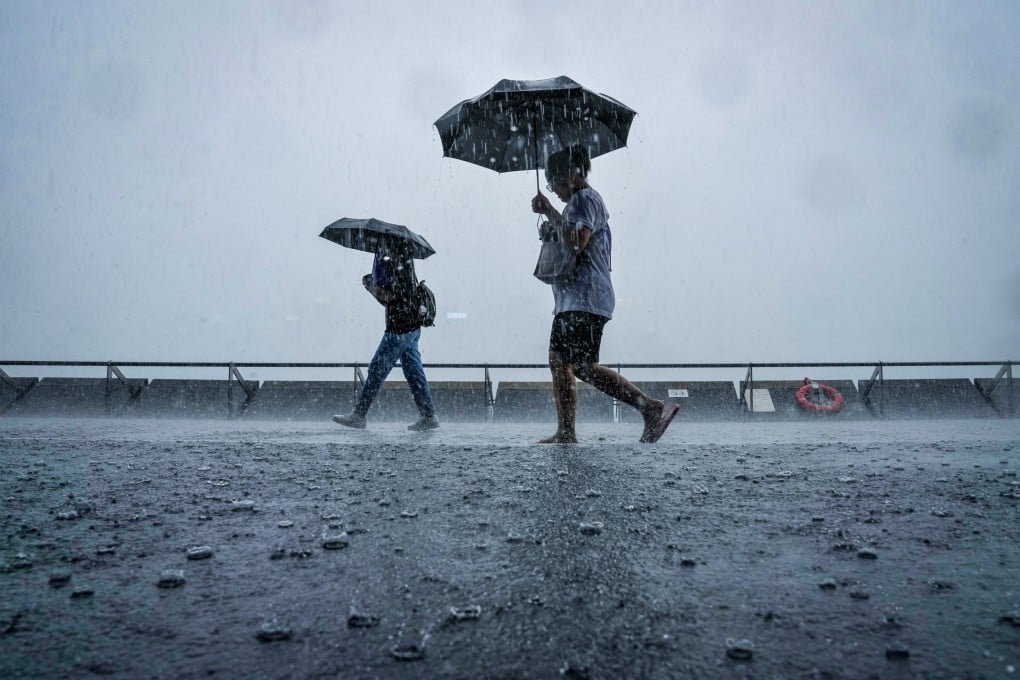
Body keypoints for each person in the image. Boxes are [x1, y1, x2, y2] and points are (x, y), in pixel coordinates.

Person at [530, 144, 678, 444]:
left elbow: (577, 241)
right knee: (567, 363)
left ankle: (649, 409)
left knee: (573, 364)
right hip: (576, 299)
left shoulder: (584, 199)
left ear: (571, 175)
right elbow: (571, 237)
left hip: (584, 298)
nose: (554, 189)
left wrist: (549, 212)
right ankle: (570, 430)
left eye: (553, 182)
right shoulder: (580, 202)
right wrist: (553, 227)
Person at [332, 245, 439, 431]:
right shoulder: (405, 261)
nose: (379, 250)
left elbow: (391, 298)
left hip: (399, 329)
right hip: (411, 327)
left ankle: (359, 415)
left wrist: (371, 287)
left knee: (377, 369)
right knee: (414, 373)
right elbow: (397, 297)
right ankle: (429, 416)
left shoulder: (398, 264)